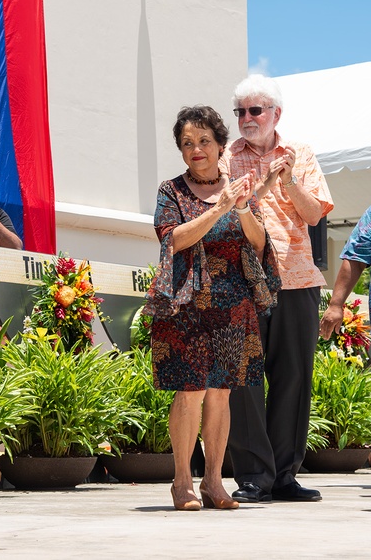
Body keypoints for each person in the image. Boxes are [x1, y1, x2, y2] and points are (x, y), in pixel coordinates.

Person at [144, 105, 279, 511]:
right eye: (188, 143)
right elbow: (173, 240)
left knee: (220, 394)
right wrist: (219, 208)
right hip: (185, 306)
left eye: (204, 141)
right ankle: (182, 482)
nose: (196, 149)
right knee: (190, 394)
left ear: (222, 145)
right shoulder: (171, 191)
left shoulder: (240, 188)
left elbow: (258, 244)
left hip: (232, 305)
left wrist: (239, 207)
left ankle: (214, 481)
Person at [223, 74, 334, 504]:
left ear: (276, 114)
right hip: (241, 282)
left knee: (293, 379)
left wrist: (287, 181)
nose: (248, 119)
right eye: (241, 112)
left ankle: (285, 475)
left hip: (297, 278)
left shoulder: (300, 153)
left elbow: (313, 214)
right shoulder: (227, 157)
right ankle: (253, 476)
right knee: (244, 380)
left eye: (256, 110)